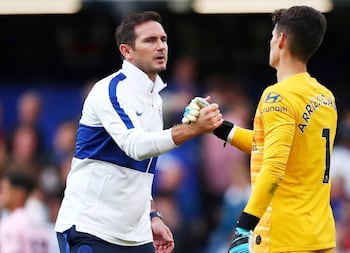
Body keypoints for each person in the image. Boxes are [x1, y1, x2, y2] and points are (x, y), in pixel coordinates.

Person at [54, 11, 223, 253]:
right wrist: (194, 129)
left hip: (135, 236)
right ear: (126, 51)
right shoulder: (110, 91)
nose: (161, 46)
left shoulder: (154, 98)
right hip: (92, 229)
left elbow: (139, 174)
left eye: (163, 39)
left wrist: (152, 215)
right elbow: (136, 147)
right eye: (150, 40)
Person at [191, 6, 337, 253]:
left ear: (281, 40)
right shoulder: (325, 96)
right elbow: (274, 148)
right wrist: (219, 128)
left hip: (282, 236)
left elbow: (274, 165)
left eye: (271, 36)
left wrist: (244, 226)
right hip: (319, 234)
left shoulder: (277, 96)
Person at [0, 170, 51, 253]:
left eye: (4, 190)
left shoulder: (11, 224)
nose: (1, 195)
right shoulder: (38, 225)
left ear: (19, 194)